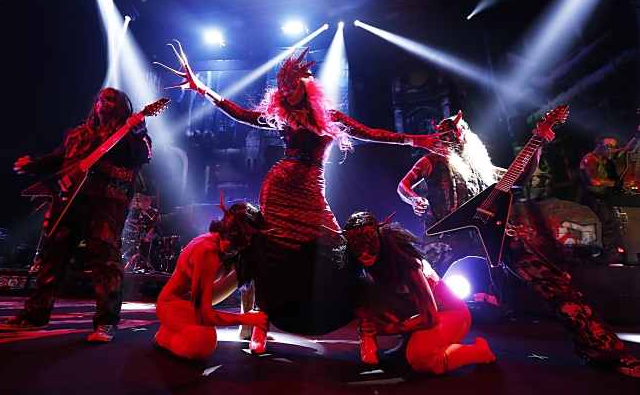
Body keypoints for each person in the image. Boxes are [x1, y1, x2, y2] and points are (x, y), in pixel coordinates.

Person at [156, 43, 445, 348]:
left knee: (337, 249)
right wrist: (203, 89)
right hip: (278, 188)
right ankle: (259, 326)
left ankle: (363, 324)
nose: (286, 93)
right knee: (269, 250)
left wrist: (412, 139)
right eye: (282, 88)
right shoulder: (282, 115)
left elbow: (368, 133)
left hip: (311, 189)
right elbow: (242, 115)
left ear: (305, 85)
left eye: (291, 87)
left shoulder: (329, 117)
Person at [398, 113, 640, 377]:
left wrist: (538, 147)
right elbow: (404, 185)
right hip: (447, 236)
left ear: (465, 134)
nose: (450, 138)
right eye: (444, 135)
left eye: (454, 133)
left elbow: (520, 180)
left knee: (553, 284)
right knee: (414, 285)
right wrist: (413, 199)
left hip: (493, 232)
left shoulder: (482, 165)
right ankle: (405, 343)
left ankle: (603, 351)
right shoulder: (431, 161)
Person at [0, 88, 151, 343]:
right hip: (69, 201)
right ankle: (34, 316)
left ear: (121, 106)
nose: (102, 103)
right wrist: (32, 166)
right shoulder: (78, 135)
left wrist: (138, 131)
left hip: (106, 202)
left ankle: (106, 322)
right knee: (52, 257)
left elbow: (143, 154)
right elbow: (58, 158)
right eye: (99, 99)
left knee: (105, 261)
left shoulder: (129, 134)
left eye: (109, 100)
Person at [342, 211, 495, 374]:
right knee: (364, 288)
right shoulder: (364, 262)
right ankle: (408, 341)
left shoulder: (406, 263)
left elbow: (430, 317)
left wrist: (386, 328)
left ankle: (480, 352)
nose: (364, 253)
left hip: (451, 314)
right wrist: (368, 329)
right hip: (420, 312)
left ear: (378, 239)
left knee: (422, 360)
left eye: (369, 244)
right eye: (358, 246)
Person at [154, 197, 269, 360]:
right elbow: (203, 316)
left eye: (237, 240)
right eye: (229, 234)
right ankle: (163, 336)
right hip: (173, 304)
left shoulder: (235, 251)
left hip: (197, 299)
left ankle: (250, 332)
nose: (228, 242)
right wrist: (245, 318)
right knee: (201, 342)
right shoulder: (206, 251)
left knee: (252, 264)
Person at [579, 129, 640, 265]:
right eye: (608, 146)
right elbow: (595, 181)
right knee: (608, 222)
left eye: (613, 146)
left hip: (608, 195)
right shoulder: (590, 160)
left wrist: (637, 134)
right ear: (599, 145)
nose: (611, 149)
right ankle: (611, 258)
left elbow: (628, 149)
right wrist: (620, 183)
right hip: (594, 197)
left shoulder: (608, 156)